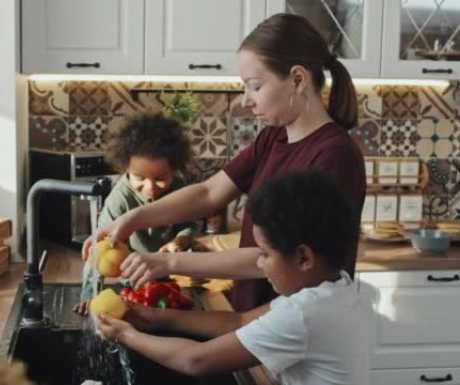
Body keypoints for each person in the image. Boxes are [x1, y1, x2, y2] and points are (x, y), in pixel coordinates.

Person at [87, 13, 366, 312]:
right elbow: (209, 193)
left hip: (299, 329)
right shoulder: (273, 137)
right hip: (258, 320)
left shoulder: (336, 155)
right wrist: (132, 219)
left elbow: (276, 257)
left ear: (298, 79)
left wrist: (168, 261)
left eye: (255, 86)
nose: (246, 100)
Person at [95, 170, 370, 385]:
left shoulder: (304, 314)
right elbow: (236, 322)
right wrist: (155, 317)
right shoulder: (335, 289)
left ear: (303, 258)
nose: (258, 263)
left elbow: (195, 360)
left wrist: (127, 336)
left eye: (265, 253)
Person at [73, 112, 195, 315]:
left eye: (161, 178)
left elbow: (189, 225)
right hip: (130, 280)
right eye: (139, 177)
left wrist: (179, 242)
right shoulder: (119, 199)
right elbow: (98, 250)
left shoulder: (180, 188)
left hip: (168, 275)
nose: (150, 187)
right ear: (125, 168)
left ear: (175, 168)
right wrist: (89, 294)